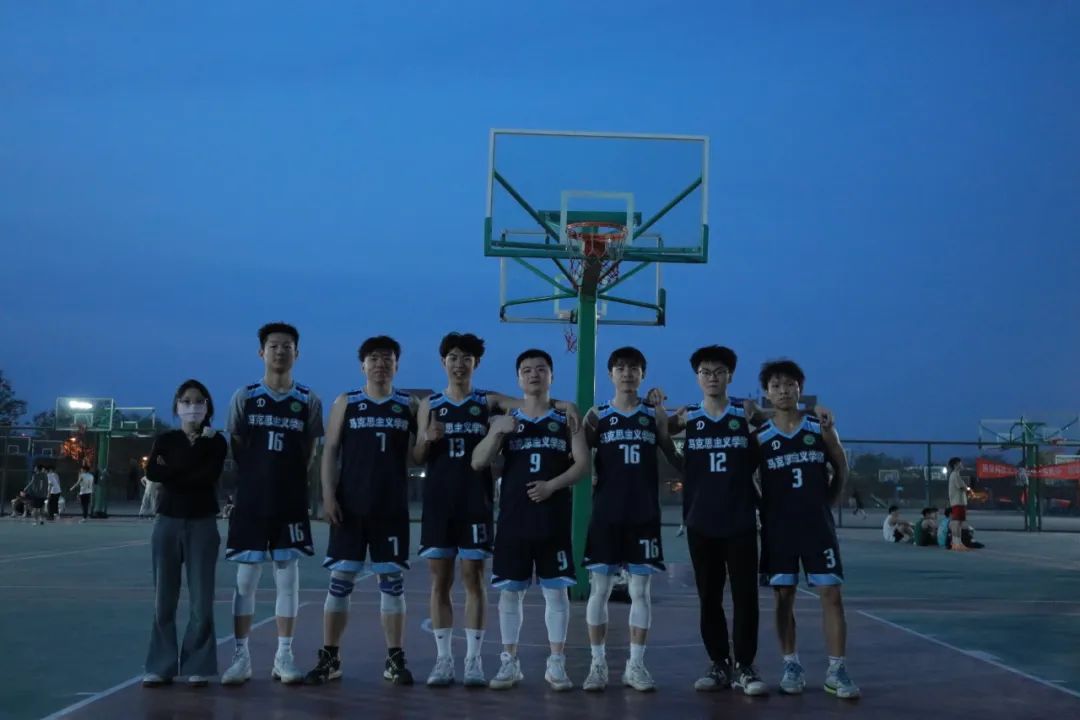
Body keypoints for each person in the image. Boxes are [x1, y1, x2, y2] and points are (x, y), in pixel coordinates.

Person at [414, 332, 581, 688]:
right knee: (439, 581)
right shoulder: (430, 404)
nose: (460, 364)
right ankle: (444, 660)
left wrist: (567, 405)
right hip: (439, 504)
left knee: (474, 579)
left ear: (476, 363)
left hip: (477, 502)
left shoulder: (489, 401)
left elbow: (531, 400)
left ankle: (474, 660)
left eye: (467, 358)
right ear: (443, 362)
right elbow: (416, 456)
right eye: (453, 357)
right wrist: (427, 440)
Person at [471, 349, 588, 691]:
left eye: (540, 369)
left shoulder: (566, 418)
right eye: (526, 370)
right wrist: (496, 433)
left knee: (557, 594)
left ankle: (556, 663)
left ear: (551, 375)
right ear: (518, 379)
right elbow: (477, 462)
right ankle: (509, 662)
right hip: (514, 520)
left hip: (553, 519)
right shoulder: (507, 419)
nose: (534, 374)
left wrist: (552, 485)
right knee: (510, 595)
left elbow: (583, 465)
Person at [305, 336, 418, 687]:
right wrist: (327, 495)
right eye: (373, 358)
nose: (380, 364)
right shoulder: (347, 402)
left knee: (392, 585)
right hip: (350, 507)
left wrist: (430, 438)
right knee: (340, 583)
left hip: (391, 508)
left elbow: (418, 455)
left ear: (397, 365)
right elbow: (330, 450)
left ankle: (395, 659)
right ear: (362, 365)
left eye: (387, 358)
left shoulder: (409, 405)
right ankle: (330, 657)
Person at [660, 345, 768, 695]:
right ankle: (719, 662)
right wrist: (658, 410)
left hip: (739, 519)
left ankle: (745, 665)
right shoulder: (688, 417)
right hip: (701, 520)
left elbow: (780, 425)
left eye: (719, 371)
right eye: (705, 372)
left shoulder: (744, 412)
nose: (712, 377)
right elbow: (659, 433)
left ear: (730, 376)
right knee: (709, 596)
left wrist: (764, 417)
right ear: (697, 377)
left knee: (745, 596)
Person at [221, 322, 324, 687]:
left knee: (288, 579)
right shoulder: (245, 396)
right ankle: (241, 656)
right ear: (261, 352)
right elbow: (236, 443)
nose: (280, 351)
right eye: (274, 345)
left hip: (289, 500)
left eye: (287, 346)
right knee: (245, 579)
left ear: (297, 352)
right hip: (252, 500)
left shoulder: (308, 400)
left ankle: (284, 655)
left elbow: (310, 450)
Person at [754, 359, 859, 700]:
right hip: (779, 529)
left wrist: (828, 500)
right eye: (776, 386)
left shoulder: (820, 427)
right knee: (783, 596)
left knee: (832, 594)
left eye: (790, 385)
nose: (783, 391)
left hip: (817, 526)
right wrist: (763, 507)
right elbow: (746, 477)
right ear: (767, 393)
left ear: (800, 389)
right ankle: (791, 665)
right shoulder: (760, 437)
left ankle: (836, 670)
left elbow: (841, 467)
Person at [579, 347, 677, 693]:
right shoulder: (597, 415)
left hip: (643, 513)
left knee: (640, 591)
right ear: (610, 374)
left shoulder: (653, 414)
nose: (627, 373)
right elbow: (579, 453)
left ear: (642, 374)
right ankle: (598, 664)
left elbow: (671, 452)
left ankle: (635, 665)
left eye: (634, 368)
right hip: (607, 513)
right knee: (600, 590)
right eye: (620, 368)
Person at [142, 379, 228, 688]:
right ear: (177, 406)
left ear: (208, 407)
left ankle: (198, 664)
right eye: (186, 401)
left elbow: (207, 476)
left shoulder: (216, 441)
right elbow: (153, 472)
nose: (193, 406)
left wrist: (174, 469)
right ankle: (161, 665)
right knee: (163, 599)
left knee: (201, 600)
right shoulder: (165, 439)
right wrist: (182, 468)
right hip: (167, 522)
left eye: (199, 401)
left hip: (202, 523)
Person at [946, 458, 970, 551]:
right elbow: (962, 487)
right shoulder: (955, 475)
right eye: (960, 463)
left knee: (958, 523)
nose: (962, 465)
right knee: (957, 523)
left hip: (958, 502)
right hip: (958, 502)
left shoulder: (955, 475)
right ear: (956, 465)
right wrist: (967, 488)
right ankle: (956, 543)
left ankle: (958, 543)